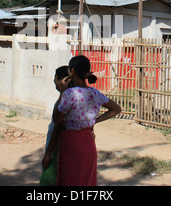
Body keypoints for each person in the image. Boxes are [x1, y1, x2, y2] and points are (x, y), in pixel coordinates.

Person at [54, 55, 121, 186]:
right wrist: (94, 121)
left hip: (71, 143)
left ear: (72, 70)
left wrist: (62, 91)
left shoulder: (69, 94)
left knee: (70, 180)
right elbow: (116, 109)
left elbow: (57, 120)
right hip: (88, 143)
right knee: (86, 181)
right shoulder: (95, 93)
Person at [40, 66, 71, 186]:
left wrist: (49, 153)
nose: (54, 80)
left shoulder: (65, 101)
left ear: (62, 80)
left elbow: (58, 127)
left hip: (57, 152)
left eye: (55, 77)